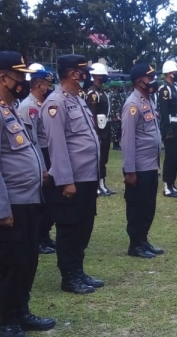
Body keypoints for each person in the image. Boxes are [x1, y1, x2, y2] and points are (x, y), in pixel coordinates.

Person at [0, 52, 54, 337]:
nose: (23, 81)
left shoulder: (9, 108)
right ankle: (7, 319)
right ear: (3, 78)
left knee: (28, 260)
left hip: (29, 199)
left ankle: (21, 310)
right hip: (10, 204)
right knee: (12, 264)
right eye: (19, 76)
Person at [41, 55, 103, 294]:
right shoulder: (55, 103)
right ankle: (69, 276)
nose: (86, 75)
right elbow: (56, 145)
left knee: (84, 226)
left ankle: (78, 270)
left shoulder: (77, 100)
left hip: (87, 176)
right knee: (70, 228)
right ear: (73, 74)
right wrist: (66, 181)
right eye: (83, 71)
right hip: (73, 179)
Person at [122, 62, 164, 258]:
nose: (153, 81)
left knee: (149, 205)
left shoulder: (148, 100)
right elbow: (128, 139)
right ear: (140, 82)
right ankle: (135, 244)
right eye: (150, 78)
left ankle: (144, 240)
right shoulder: (133, 104)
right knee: (137, 206)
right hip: (138, 167)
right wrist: (129, 170)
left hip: (151, 164)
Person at [18, 66, 57, 255]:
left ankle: (45, 235)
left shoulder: (43, 104)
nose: (50, 88)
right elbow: (31, 140)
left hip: (49, 153)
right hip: (40, 154)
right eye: (48, 85)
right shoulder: (28, 107)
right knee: (42, 200)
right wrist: (42, 168)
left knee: (50, 201)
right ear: (38, 85)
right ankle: (39, 238)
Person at [86, 63, 116, 197]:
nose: (105, 78)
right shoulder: (93, 93)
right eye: (103, 75)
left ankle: (102, 183)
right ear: (97, 76)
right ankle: (98, 185)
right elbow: (92, 115)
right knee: (98, 159)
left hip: (106, 128)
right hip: (99, 129)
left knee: (104, 158)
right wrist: (96, 133)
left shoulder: (102, 92)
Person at [157, 60, 177, 197]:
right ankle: (167, 186)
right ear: (169, 73)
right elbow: (164, 111)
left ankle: (172, 183)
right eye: (175, 73)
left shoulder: (175, 88)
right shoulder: (165, 89)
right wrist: (167, 130)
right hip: (170, 126)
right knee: (170, 157)